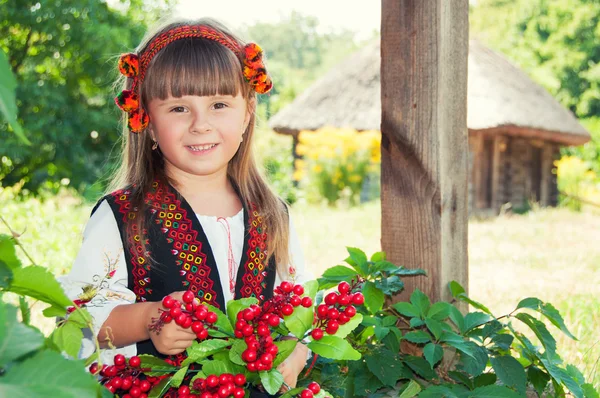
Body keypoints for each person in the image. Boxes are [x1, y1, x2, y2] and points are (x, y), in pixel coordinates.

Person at [60, 17, 310, 395]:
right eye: (178, 109)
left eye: (219, 104)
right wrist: (149, 319)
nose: (200, 124)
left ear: (247, 114)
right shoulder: (123, 218)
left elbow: (297, 309)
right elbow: (75, 324)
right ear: (145, 118)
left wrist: (297, 350)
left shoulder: (272, 214)